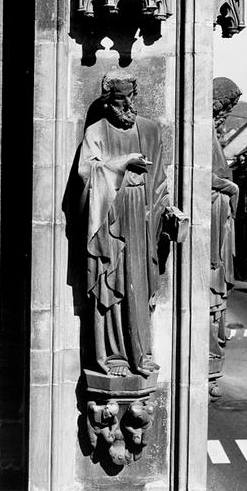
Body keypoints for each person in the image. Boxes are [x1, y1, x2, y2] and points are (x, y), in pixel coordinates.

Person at [78, 70, 182, 378]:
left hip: (142, 218)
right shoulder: (96, 131)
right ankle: (115, 355)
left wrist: (168, 213)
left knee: (139, 282)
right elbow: (86, 174)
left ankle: (142, 352)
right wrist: (123, 163)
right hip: (111, 217)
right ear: (108, 101)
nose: (127, 105)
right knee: (115, 282)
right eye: (120, 99)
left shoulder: (149, 131)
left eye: (130, 98)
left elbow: (160, 183)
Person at [209, 79, 241, 394]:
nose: (225, 116)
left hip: (222, 220)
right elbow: (202, 175)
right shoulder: (204, 132)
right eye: (225, 108)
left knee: (217, 293)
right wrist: (231, 188)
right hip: (215, 222)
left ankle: (214, 342)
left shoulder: (214, 136)